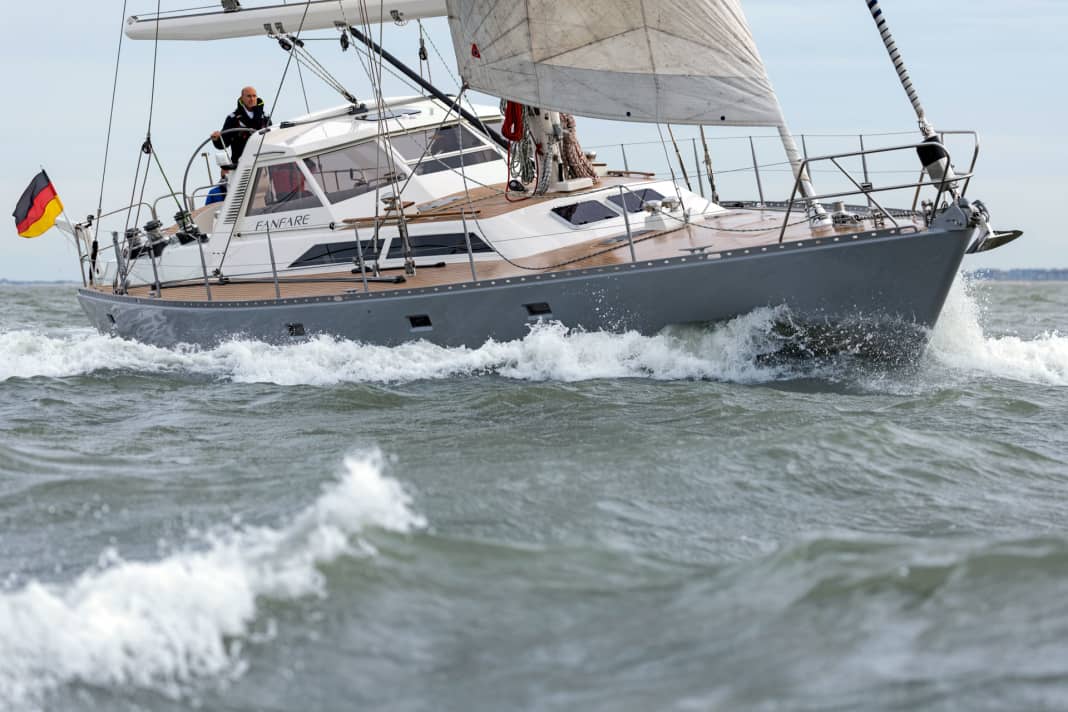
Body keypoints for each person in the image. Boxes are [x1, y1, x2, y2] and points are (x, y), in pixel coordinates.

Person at [211, 86, 271, 167]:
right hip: (241, 165)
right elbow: (224, 142)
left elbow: (272, 137)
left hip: (264, 162)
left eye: (254, 96)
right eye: (249, 96)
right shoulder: (233, 118)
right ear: (242, 98)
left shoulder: (265, 117)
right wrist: (217, 139)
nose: (252, 99)